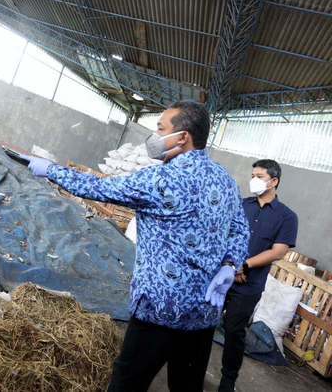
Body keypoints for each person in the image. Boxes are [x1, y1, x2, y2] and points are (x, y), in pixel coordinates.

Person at [20, 100, 249, 392]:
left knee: (127, 382)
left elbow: (100, 189)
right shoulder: (226, 181)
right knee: (187, 386)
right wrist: (230, 264)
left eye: (160, 129)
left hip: (159, 309)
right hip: (203, 312)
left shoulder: (161, 179)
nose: (154, 137)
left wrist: (52, 170)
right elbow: (240, 230)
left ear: (182, 136)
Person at [217, 159, 298, 392]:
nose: (254, 179)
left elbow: (278, 251)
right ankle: (192, 366)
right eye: (253, 174)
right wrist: (230, 266)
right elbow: (225, 235)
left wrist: (244, 267)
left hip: (249, 284)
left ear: (274, 181)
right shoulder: (241, 205)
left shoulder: (287, 217)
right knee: (203, 323)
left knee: (233, 329)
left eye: (259, 176)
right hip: (223, 275)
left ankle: (228, 379)